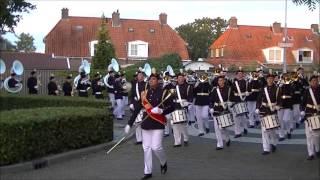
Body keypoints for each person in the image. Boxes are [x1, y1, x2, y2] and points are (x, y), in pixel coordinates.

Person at [124, 69, 174, 180]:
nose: (151, 81)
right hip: (146, 123)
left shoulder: (164, 92)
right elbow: (137, 109)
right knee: (146, 148)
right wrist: (129, 123)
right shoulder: (144, 93)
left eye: (154, 79)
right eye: (150, 79)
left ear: (158, 81)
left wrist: (162, 111)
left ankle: (163, 161)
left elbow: (172, 106)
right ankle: (148, 171)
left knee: (156, 147)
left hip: (158, 123)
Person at [256, 72, 279, 155]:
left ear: (273, 79)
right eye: (268, 79)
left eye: (271, 79)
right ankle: (266, 148)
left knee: (272, 129)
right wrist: (257, 108)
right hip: (264, 110)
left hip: (273, 110)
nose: (270, 80)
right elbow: (259, 99)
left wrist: (278, 106)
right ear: (266, 79)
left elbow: (280, 100)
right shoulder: (263, 89)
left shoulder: (277, 88)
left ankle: (273, 143)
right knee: (264, 130)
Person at [171, 71, 193, 147]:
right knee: (175, 124)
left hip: (184, 105)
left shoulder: (188, 87)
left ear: (184, 78)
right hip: (175, 106)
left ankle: (186, 138)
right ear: (177, 79)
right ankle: (177, 141)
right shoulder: (174, 87)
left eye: (181, 77)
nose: (180, 79)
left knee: (183, 124)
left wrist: (188, 103)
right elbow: (171, 97)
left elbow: (190, 97)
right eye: (178, 78)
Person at [209, 75, 232, 150]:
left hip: (224, 109)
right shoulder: (214, 90)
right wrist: (211, 107)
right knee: (217, 128)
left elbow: (232, 98)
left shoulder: (229, 89)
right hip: (216, 109)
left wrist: (230, 103)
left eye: (222, 80)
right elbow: (211, 100)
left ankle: (227, 138)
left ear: (224, 81)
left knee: (223, 127)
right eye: (219, 81)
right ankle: (219, 144)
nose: (220, 82)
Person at [301, 75, 320, 160]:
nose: (315, 82)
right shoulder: (306, 91)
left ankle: (317, 149)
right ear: (310, 82)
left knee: (317, 135)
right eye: (313, 81)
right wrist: (301, 110)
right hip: (308, 114)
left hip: (318, 115)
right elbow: (302, 103)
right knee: (309, 135)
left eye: (316, 80)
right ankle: (311, 153)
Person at [128, 69, 147, 144]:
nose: (140, 77)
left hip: (144, 106)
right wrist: (131, 103)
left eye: (141, 76)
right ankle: (139, 139)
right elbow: (132, 95)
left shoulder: (146, 85)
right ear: (137, 77)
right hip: (136, 106)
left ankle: (145, 138)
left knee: (144, 123)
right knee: (136, 123)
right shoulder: (134, 85)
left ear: (143, 77)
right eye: (139, 76)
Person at [230, 68, 249, 138]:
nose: (240, 75)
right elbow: (231, 92)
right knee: (236, 117)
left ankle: (245, 127)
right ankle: (237, 132)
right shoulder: (234, 82)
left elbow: (248, 91)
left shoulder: (246, 82)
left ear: (243, 75)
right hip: (235, 100)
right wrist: (231, 101)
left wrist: (247, 94)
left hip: (243, 100)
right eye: (238, 74)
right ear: (236, 75)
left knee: (243, 116)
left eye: (241, 74)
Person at [277, 73, 294, 141]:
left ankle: (288, 131)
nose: (285, 78)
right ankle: (281, 135)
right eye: (284, 77)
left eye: (287, 77)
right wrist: (279, 86)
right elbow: (277, 94)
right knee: (280, 121)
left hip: (288, 105)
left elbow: (292, 95)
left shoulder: (291, 85)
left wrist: (284, 96)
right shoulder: (279, 85)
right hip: (280, 105)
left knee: (286, 120)